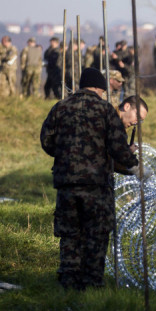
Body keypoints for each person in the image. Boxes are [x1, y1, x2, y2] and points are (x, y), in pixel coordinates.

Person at [40, 67, 139, 291]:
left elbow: (46, 141)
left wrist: (65, 155)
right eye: (103, 90)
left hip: (67, 182)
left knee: (70, 233)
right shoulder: (105, 110)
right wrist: (133, 164)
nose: (103, 94)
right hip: (96, 184)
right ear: (97, 88)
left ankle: (68, 280)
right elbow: (117, 146)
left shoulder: (60, 107)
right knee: (96, 232)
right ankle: (92, 282)